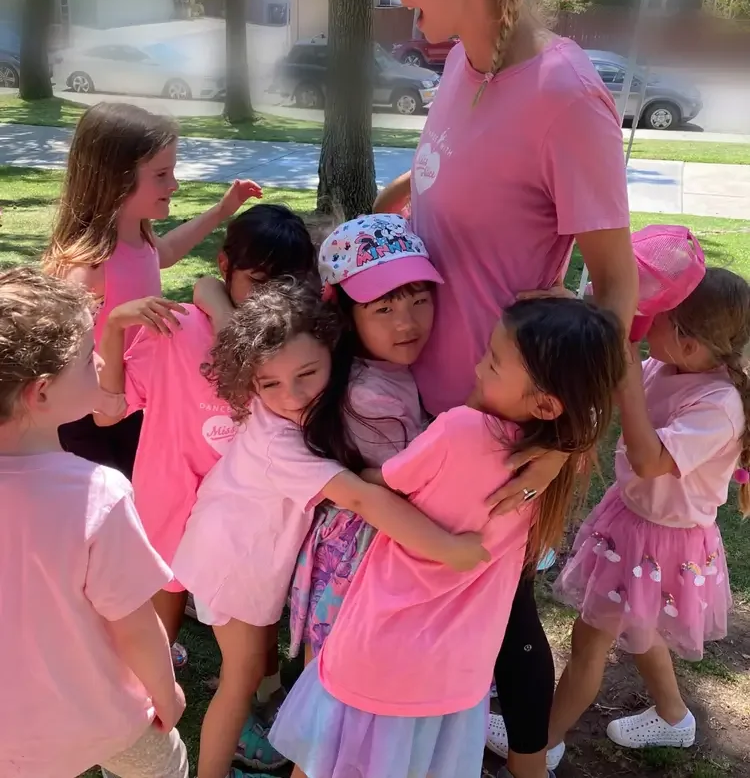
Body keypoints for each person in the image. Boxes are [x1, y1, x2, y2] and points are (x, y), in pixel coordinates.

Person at [374, 0, 638, 778]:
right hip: (422, 398)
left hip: (497, 427)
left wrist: (569, 438)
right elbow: (447, 174)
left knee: (505, 617)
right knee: (456, 610)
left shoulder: (567, 97)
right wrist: (385, 209)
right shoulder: (462, 61)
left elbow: (616, 285)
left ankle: (529, 760)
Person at [268, 296, 626, 778]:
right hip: (459, 671)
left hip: (384, 646)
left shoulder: (460, 430)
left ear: (545, 403)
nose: (478, 369)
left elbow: (389, 481)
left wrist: (353, 473)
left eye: (493, 364)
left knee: (323, 762)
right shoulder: (559, 463)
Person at [170, 280, 488, 778]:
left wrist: (211, 296)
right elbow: (360, 496)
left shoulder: (278, 383)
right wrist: (449, 549)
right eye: (270, 384)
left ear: (332, 351)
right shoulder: (281, 442)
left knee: (250, 666)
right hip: (232, 564)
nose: (291, 395)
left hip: (233, 546)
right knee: (241, 676)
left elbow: (228, 318)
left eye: (307, 374)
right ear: (251, 378)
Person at [95, 205, 316, 681]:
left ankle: (264, 690)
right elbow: (106, 411)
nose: (267, 301)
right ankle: (153, 691)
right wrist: (113, 327)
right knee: (165, 600)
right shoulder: (176, 330)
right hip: (170, 498)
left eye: (284, 286)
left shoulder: (298, 345)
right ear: (225, 266)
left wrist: (217, 302)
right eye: (257, 282)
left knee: (256, 605)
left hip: (246, 513)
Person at [549, 267, 750, 752]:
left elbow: (649, 459)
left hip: (662, 541)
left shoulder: (718, 405)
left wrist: (626, 372)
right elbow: (613, 383)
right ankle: (673, 716)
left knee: (589, 642)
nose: (644, 317)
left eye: (656, 315)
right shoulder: (668, 365)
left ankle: (539, 747)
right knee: (639, 622)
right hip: (635, 521)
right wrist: (579, 311)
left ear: (689, 343)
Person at [0, 267, 187, 778]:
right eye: (87, 358)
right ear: (40, 393)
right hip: (105, 719)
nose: (102, 361)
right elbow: (135, 626)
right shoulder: (96, 495)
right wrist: (166, 691)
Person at [42, 101, 261, 479]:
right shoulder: (87, 269)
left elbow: (168, 251)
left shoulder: (139, 238)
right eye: (161, 174)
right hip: (92, 425)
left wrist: (222, 210)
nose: (173, 184)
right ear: (117, 178)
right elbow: (57, 356)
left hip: (134, 406)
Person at [288, 213, 441, 660]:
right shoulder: (367, 395)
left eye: (420, 300)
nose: (407, 323)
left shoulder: (386, 367)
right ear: (347, 315)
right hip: (374, 545)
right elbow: (411, 482)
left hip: (389, 532)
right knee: (351, 665)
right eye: (384, 309)